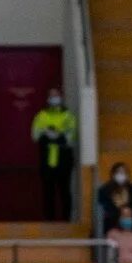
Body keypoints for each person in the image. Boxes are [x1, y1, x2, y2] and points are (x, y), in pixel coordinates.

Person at [31, 87, 77, 222]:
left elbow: (72, 136)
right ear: (47, 98)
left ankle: (66, 221)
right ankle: (49, 221)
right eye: (51, 96)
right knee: (48, 192)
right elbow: (35, 135)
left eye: (56, 95)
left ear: (61, 97)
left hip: (64, 159)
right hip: (47, 159)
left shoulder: (68, 115)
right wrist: (48, 133)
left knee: (65, 191)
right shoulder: (41, 115)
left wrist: (57, 134)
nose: (54, 98)